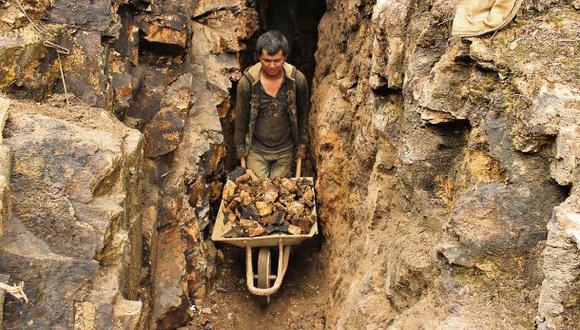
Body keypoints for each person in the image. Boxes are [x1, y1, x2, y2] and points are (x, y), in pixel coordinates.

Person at [234, 30, 310, 178]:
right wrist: (239, 147)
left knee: (280, 192)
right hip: (256, 151)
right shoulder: (247, 82)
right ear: (259, 57)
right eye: (267, 60)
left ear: (285, 57)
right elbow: (241, 117)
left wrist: (302, 145)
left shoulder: (297, 81)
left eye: (277, 61)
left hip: (285, 151)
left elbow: (303, 114)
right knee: (258, 194)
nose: (272, 66)